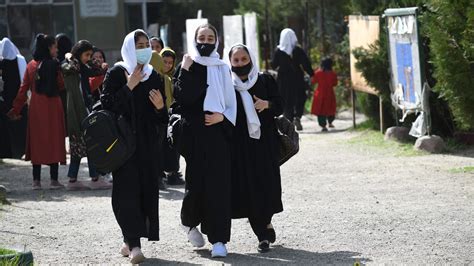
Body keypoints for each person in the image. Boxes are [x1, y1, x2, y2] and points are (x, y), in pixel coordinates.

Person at [101, 29, 168, 264]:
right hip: (123, 146)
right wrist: (129, 86)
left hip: (147, 145)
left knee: (144, 192)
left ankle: (128, 240)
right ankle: (134, 244)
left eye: (146, 44)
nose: (144, 49)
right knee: (125, 192)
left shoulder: (154, 76)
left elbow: (163, 119)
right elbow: (106, 106)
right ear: (129, 47)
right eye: (138, 45)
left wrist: (161, 107)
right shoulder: (118, 73)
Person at [173, 23, 236, 258]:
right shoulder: (188, 64)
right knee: (196, 185)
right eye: (202, 38)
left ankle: (219, 239)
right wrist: (187, 69)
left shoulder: (222, 67)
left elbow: (231, 102)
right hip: (194, 135)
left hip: (218, 133)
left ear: (216, 41)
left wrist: (223, 116)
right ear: (194, 39)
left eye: (210, 38)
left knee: (219, 187)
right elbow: (182, 97)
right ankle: (189, 223)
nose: (206, 42)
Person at [227, 44, 283, 253]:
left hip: (265, 144)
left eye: (244, 59)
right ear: (230, 62)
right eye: (236, 61)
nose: (241, 64)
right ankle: (262, 234)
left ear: (250, 59)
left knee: (267, 185)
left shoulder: (265, 80)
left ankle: (266, 221)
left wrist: (266, 105)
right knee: (249, 187)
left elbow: (280, 105)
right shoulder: (227, 84)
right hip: (240, 147)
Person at [7, 34, 66, 190]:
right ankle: (54, 180)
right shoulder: (55, 65)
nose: (57, 49)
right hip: (53, 106)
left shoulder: (31, 66)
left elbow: (23, 89)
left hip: (37, 108)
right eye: (54, 46)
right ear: (48, 48)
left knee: (37, 141)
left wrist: (15, 109)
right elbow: (61, 85)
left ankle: (36, 181)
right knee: (54, 140)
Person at [61, 40, 111, 190]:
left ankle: (73, 179)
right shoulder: (69, 65)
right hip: (77, 110)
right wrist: (69, 56)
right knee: (89, 142)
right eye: (87, 54)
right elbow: (71, 67)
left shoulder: (81, 66)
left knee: (82, 143)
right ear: (78, 53)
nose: (88, 58)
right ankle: (95, 178)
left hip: (82, 108)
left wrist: (101, 67)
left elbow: (94, 71)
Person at [271, 28, 313, 131]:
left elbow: (274, 65)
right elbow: (306, 63)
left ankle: (289, 121)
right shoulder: (298, 50)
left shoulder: (279, 51)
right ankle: (297, 117)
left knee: (286, 99)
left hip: (283, 79)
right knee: (300, 97)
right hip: (297, 77)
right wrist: (311, 73)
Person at [157, 47, 185, 186]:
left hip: (172, 116)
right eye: (164, 61)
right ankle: (159, 175)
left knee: (173, 147)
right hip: (159, 117)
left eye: (170, 62)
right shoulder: (156, 76)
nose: (167, 65)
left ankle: (173, 173)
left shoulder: (175, 77)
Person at [0, 38, 27, 159]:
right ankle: (23, 150)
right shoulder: (20, 60)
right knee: (21, 128)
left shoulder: (2, 63)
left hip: (6, 100)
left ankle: (12, 152)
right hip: (20, 98)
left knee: (10, 129)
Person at [311, 57, 338, 132]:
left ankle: (323, 126)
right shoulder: (333, 74)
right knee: (331, 108)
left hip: (320, 94)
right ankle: (330, 122)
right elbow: (335, 83)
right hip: (329, 94)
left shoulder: (318, 73)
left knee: (321, 110)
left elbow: (313, 81)